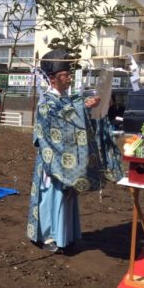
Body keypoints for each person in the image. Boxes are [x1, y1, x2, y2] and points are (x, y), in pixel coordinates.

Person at [26, 49, 104, 253]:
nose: (69, 78)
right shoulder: (46, 103)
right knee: (52, 197)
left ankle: (65, 235)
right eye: (66, 75)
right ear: (53, 79)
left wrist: (86, 107)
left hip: (67, 159)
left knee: (66, 197)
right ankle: (47, 236)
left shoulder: (67, 99)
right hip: (52, 160)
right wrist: (82, 107)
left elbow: (70, 117)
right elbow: (56, 124)